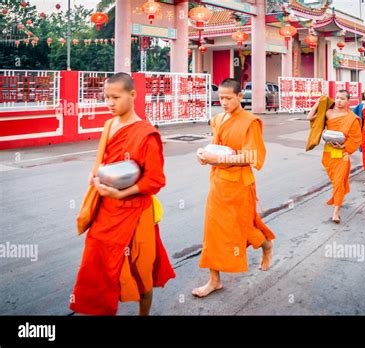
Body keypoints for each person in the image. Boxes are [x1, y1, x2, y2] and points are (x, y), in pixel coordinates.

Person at [70, 72, 175, 315]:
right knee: (97, 264)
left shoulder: (146, 134)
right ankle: (102, 308)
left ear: (132, 95)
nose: (110, 102)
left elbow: (155, 180)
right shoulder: (109, 125)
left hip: (136, 213)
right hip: (106, 210)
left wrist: (122, 193)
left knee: (141, 268)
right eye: (106, 97)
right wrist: (95, 175)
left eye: (115, 97)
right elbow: (102, 161)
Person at [192, 78, 275, 298]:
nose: (224, 102)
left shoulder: (250, 122)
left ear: (240, 96)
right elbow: (216, 148)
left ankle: (265, 246)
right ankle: (214, 280)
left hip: (239, 184)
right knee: (213, 231)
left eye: (229, 98)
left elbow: (251, 156)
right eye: (221, 98)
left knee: (243, 228)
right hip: (218, 183)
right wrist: (204, 156)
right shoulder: (218, 119)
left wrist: (215, 157)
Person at [307, 90, 362, 223]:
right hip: (329, 152)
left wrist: (344, 147)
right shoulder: (329, 113)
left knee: (338, 181)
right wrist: (318, 102)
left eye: (342, 98)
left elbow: (356, 138)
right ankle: (339, 197)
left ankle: (336, 212)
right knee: (335, 180)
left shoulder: (352, 118)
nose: (339, 100)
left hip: (342, 153)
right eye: (337, 98)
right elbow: (310, 117)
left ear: (348, 101)